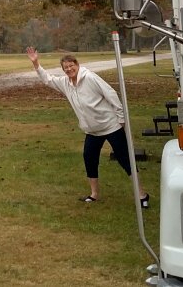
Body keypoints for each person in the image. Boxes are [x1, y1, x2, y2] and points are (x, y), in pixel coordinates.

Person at [27, 46, 149, 206]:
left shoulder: (90, 77)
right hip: (92, 131)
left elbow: (110, 93)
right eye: (66, 67)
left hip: (111, 126)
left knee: (125, 159)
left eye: (72, 66)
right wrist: (36, 63)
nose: (69, 69)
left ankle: (142, 195)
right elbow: (47, 79)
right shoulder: (65, 83)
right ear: (63, 70)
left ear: (77, 65)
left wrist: (121, 117)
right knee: (89, 158)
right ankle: (94, 194)